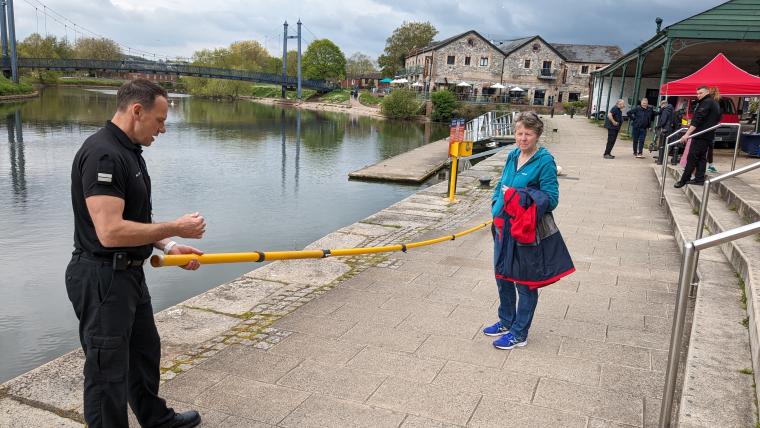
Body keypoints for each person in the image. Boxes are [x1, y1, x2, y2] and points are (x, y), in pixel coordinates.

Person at [67, 79, 206, 428]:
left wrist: (169, 245)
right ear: (137, 111)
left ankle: (155, 420)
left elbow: (135, 220)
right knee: (106, 374)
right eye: (159, 121)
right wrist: (175, 227)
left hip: (127, 274)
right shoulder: (104, 155)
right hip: (102, 278)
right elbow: (110, 231)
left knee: (144, 352)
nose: (162, 129)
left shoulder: (128, 153)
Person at [484, 112, 560, 350]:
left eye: (528, 134)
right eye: (519, 133)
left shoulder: (544, 161)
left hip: (524, 232)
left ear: (537, 135)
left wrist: (516, 197)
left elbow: (551, 198)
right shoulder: (513, 154)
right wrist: (496, 203)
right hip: (501, 227)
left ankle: (519, 333)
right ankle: (506, 320)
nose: (523, 138)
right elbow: (501, 184)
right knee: (502, 276)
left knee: (524, 283)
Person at [674, 85, 721, 188]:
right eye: (697, 93)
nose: (698, 95)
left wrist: (687, 134)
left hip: (701, 135)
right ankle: (699, 178)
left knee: (692, 157)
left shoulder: (706, 102)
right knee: (701, 157)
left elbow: (697, 120)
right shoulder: (714, 103)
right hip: (707, 135)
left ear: (707, 92)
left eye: (700, 93)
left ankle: (683, 180)